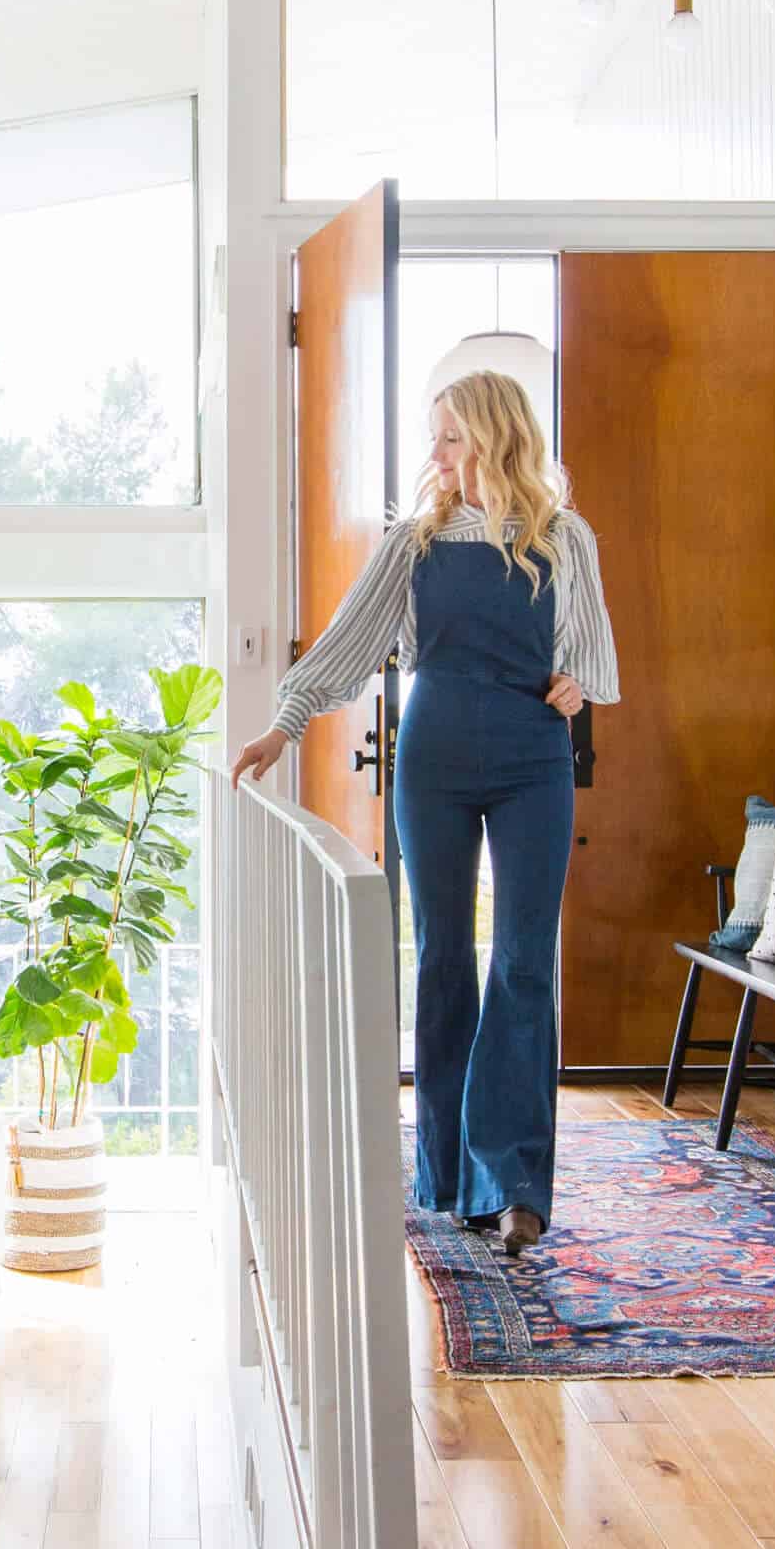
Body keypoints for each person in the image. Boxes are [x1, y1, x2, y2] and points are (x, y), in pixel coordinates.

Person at [231, 369, 618, 1257]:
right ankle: (447, 1174)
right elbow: (350, 643)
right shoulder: (414, 542)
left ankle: (516, 1183)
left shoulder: (567, 539)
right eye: (434, 438)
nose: (435, 455)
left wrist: (576, 682)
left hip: (534, 764)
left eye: (449, 437)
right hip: (433, 764)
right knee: (444, 959)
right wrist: (282, 728)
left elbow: (594, 654)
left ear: (493, 438)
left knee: (524, 961)